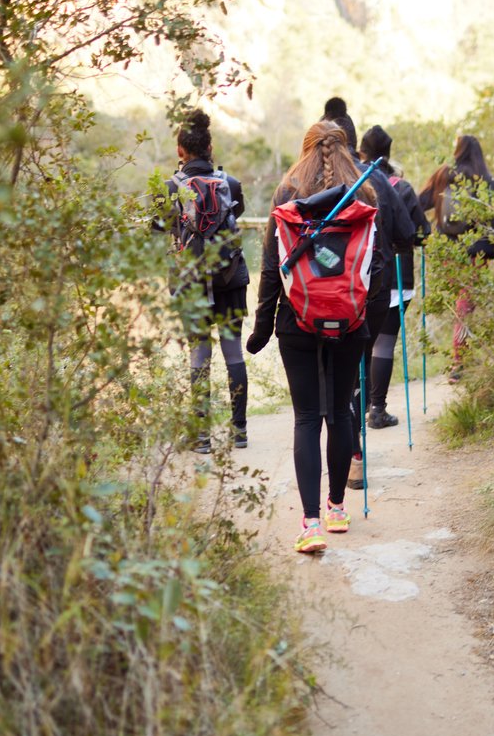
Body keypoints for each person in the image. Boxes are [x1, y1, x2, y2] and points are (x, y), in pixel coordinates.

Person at [246, 120, 379, 553]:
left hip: (296, 320)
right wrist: (360, 317)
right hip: (351, 323)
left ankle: (311, 525)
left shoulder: (287, 193)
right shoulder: (364, 193)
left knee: (306, 418)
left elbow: (271, 267)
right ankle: (338, 507)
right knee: (339, 413)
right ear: (345, 148)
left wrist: (262, 328)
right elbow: (377, 271)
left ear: (306, 149)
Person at [319, 98, 415, 486]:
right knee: (355, 373)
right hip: (369, 292)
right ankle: (354, 457)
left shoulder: (299, 179)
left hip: (317, 296)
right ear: (354, 145)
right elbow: (407, 235)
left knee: (324, 387)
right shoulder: (374, 178)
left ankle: (325, 480)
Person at [162, 110, 250, 454]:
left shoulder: (170, 189)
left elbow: (161, 225)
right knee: (232, 352)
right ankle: (239, 431)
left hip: (191, 283)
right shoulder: (231, 185)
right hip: (229, 278)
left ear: (181, 149)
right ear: (210, 146)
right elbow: (235, 213)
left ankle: (201, 438)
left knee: (199, 355)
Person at [358, 125, 431, 428]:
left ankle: (355, 407)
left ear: (362, 152)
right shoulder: (401, 187)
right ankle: (377, 410)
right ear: (388, 153)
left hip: (359, 274)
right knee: (384, 342)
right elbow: (421, 233)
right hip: (396, 277)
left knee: (361, 343)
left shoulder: (355, 183)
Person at [418, 134, 494, 382]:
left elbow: (417, 203)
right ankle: (460, 363)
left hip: (448, 252)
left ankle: (462, 358)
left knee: (460, 305)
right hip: (475, 253)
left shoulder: (443, 175)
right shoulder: (486, 179)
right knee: (465, 307)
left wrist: (425, 235)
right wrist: (487, 247)